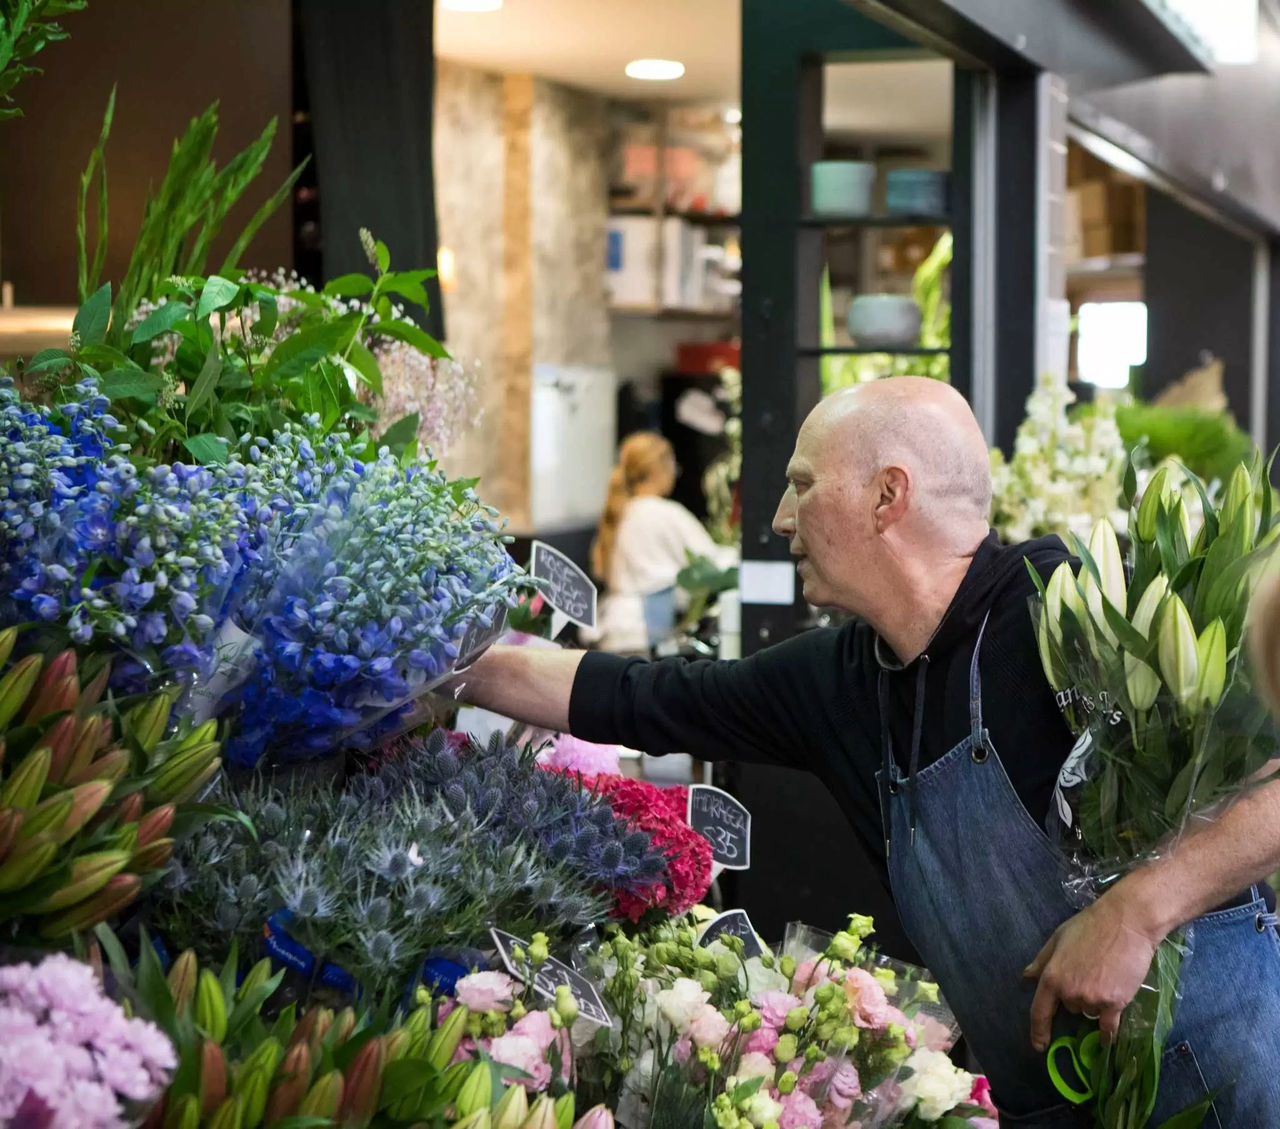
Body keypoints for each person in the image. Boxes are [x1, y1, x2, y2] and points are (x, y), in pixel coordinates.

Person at [458, 377, 1280, 1126]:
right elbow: (643, 694)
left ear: (890, 496)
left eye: (803, 484)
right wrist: (448, 666)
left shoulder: (1067, 611)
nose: (780, 517)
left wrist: (1138, 910)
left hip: (1237, 1084)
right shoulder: (844, 679)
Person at [585, 432, 737, 654]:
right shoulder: (665, 513)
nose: (675, 471)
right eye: (672, 463)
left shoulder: (622, 511)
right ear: (657, 469)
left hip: (613, 632)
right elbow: (711, 561)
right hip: (645, 635)